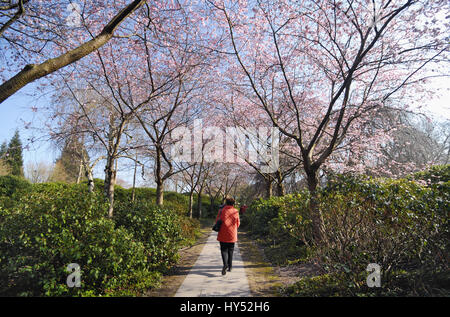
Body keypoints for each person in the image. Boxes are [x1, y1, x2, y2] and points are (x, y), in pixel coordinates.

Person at [215, 197, 240, 275]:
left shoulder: (221, 211)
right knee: (231, 250)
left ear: (226, 202)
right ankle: (230, 266)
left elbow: (217, 221)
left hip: (223, 233)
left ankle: (225, 264)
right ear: (233, 204)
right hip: (232, 234)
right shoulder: (235, 211)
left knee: (223, 250)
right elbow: (238, 223)